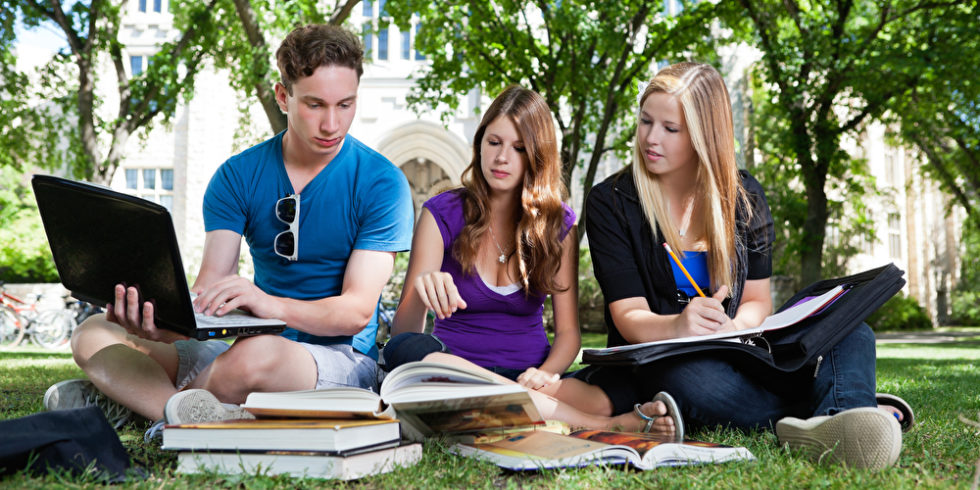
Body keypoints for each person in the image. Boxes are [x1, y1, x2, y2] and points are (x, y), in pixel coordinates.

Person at [42, 24, 415, 434]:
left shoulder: (382, 183)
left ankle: (145, 406)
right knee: (94, 334)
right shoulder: (237, 175)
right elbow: (210, 291)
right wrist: (163, 325)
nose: (331, 123)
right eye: (314, 104)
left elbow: (355, 312)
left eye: (345, 104)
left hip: (337, 358)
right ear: (282, 96)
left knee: (254, 356)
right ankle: (185, 412)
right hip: (238, 351)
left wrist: (268, 303)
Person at [579, 61, 909, 469]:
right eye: (646, 121)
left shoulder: (744, 195)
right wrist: (679, 326)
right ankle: (841, 410)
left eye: (670, 128)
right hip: (666, 361)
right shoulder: (610, 201)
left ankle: (833, 420)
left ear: (705, 135)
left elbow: (756, 301)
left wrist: (733, 328)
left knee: (854, 332)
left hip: (743, 351)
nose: (651, 138)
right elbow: (629, 316)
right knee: (689, 382)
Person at [382, 86, 683, 439]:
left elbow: (569, 335)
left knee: (608, 392)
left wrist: (546, 374)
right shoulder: (442, 213)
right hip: (455, 374)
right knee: (405, 353)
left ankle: (504, 410)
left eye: (519, 148)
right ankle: (596, 425)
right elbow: (404, 333)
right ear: (479, 143)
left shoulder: (558, 226)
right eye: (494, 142)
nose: (501, 158)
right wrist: (422, 290)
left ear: (536, 156)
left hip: (531, 377)